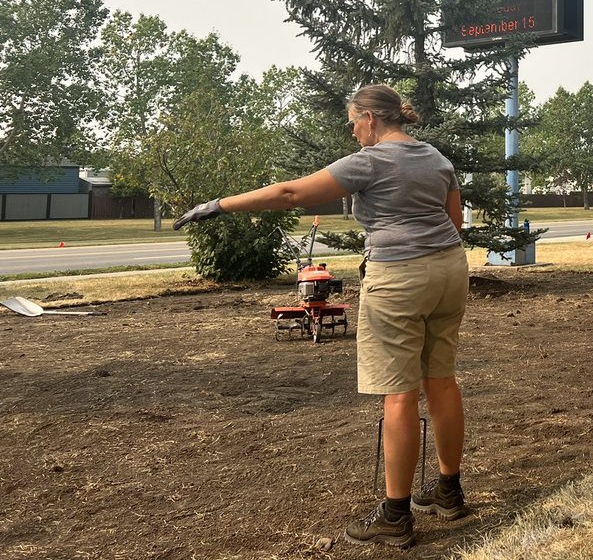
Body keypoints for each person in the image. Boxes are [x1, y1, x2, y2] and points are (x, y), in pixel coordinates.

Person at [175, 84, 469, 547]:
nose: (352, 132)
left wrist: (220, 205)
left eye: (353, 121)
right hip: (451, 271)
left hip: (398, 278)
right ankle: (449, 493)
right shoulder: (435, 158)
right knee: (441, 379)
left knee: (399, 394)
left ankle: (395, 516)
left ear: (370, 118)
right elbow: (455, 223)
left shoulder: (369, 162)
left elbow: (292, 194)